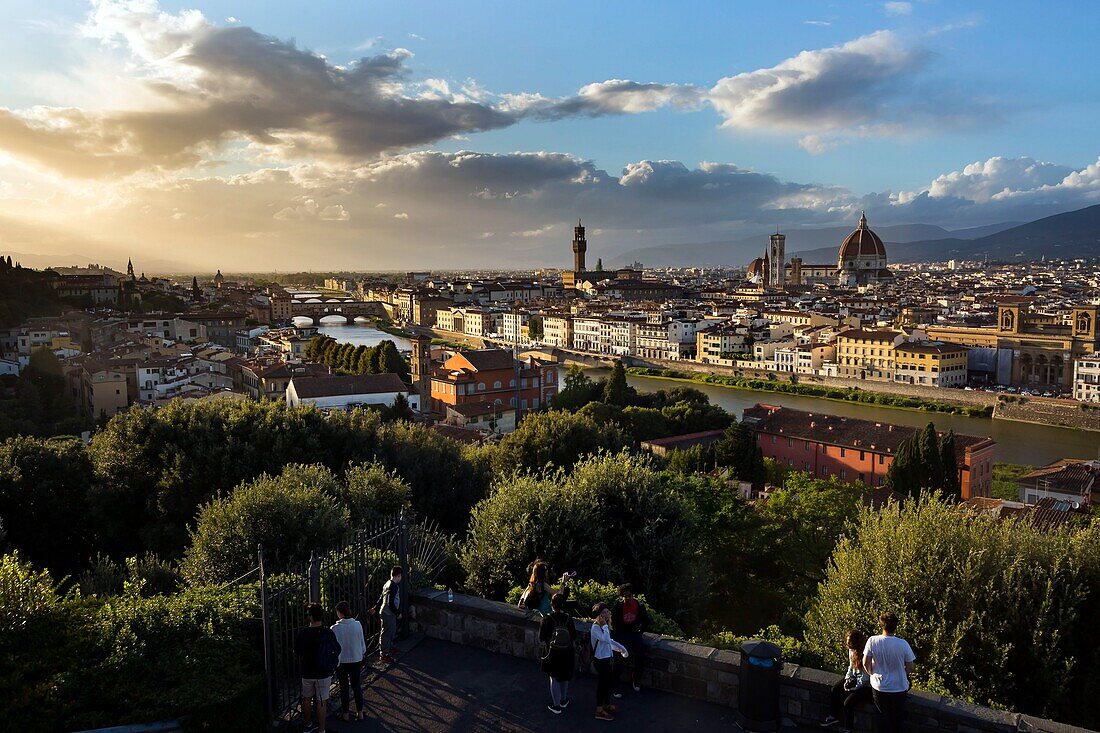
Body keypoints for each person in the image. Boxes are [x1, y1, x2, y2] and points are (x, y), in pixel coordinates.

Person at [862, 612, 916, 733]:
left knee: (882, 718)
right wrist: (903, 674)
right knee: (897, 719)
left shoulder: (872, 640)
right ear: (896, 626)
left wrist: (872, 674)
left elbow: (865, 662)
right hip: (899, 687)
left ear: (881, 625)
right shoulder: (903, 644)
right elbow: (910, 666)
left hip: (879, 686)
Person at [295, 603, 341, 733]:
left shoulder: (303, 633)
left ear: (310, 617)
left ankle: (308, 724)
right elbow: (337, 649)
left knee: (306, 699)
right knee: (322, 701)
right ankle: (321, 729)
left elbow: (297, 650)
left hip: (307, 671)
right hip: (323, 671)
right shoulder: (327, 632)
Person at [820, 629, 871, 733]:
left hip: (866, 684)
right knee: (835, 689)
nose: (848, 645)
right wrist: (848, 679)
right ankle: (833, 716)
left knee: (848, 703)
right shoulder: (851, 651)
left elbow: (866, 677)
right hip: (855, 677)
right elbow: (851, 667)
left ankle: (849, 729)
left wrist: (855, 687)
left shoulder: (865, 653)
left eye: (850, 642)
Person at [590, 602, 629, 721]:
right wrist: (605, 626)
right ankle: (599, 710)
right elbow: (606, 640)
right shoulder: (596, 627)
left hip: (607, 659)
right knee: (602, 685)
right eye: (603, 613)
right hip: (600, 661)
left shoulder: (604, 626)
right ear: (599, 615)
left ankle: (606, 704)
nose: (606, 614)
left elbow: (609, 642)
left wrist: (621, 648)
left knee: (608, 683)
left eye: (607, 611)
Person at [540, 592, 578, 715]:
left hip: (552, 653)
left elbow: (541, 638)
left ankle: (556, 705)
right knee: (564, 676)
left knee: (554, 678)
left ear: (552, 604)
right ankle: (563, 700)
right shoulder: (568, 618)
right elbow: (573, 636)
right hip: (567, 652)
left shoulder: (547, 619)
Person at [331, 601, 367, 722]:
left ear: (339, 613)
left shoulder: (334, 629)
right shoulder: (357, 625)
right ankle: (360, 713)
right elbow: (362, 643)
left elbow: (333, 648)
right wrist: (361, 654)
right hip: (356, 659)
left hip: (341, 662)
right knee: (356, 686)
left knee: (344, 687)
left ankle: (345, 713)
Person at [611, 583, 649, 693]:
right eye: (625, 596)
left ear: (633, 595)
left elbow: (646, 621)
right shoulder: (618, 606)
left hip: (634, 634)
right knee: (618, 658)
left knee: (641, 654)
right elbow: (613, 622)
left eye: (629, 596)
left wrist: (640, 631)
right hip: (621, 634)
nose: (627, 598)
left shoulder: (639, 606)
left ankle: (636, 679)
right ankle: (616, 685)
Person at [377, 565, 403, 664]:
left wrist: (376, 607)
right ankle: (384, 654)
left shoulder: (387, 583)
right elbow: (390, 602)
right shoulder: (394, 586)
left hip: (385, 611)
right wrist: (397, 613)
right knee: (387, 633)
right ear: (398, 576)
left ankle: (388, 648)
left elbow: (381, 597)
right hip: (389, 613)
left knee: (389, 631)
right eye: (400, 576)